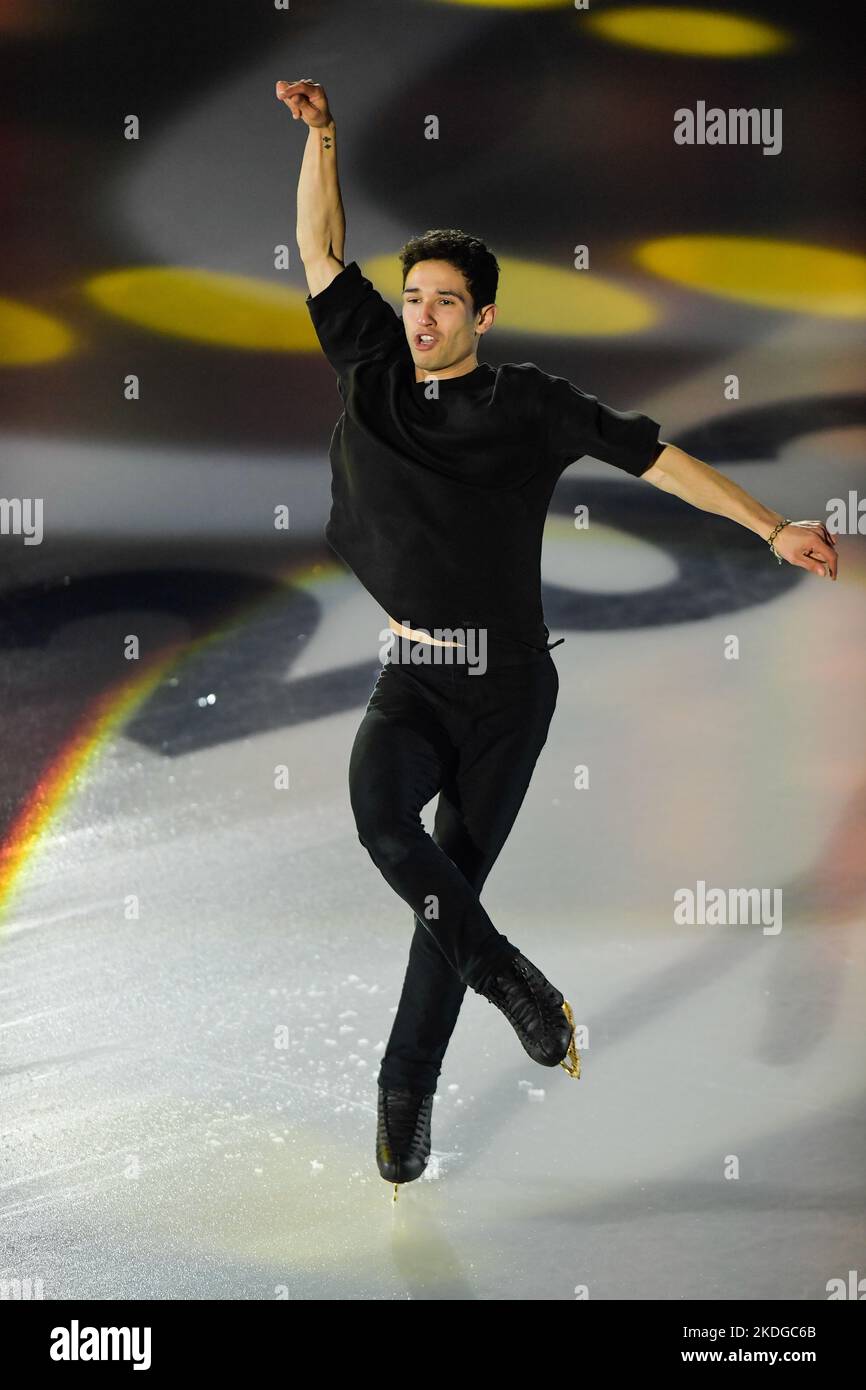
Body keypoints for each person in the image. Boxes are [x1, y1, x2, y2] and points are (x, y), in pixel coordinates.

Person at [277, 77, 839, 1195]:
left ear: (481, 318)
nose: (421, 317)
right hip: (414, 677)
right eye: (412, 298)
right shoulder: (371, 367)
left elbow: (657, 459)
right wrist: (325, 136)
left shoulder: (530, 403)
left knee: (444, 892)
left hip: (508, 696)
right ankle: (512, 983)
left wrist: (770, 526)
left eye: (444, 303)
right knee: (385, 825)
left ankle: (402, 1093)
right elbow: (320, 248)